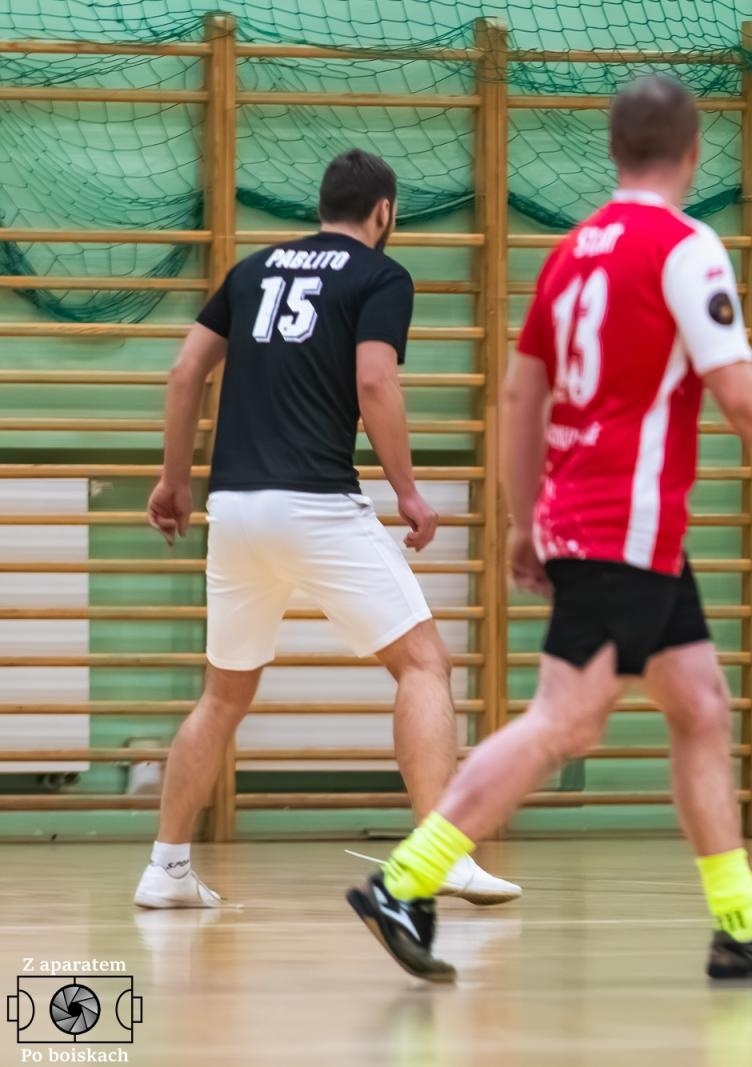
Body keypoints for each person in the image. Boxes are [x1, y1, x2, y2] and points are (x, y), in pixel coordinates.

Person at [345, 75, 752, 983]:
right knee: (562, 722)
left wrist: (521, 517)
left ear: (614, 153)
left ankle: (741, 926)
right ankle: (404, 876)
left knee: (699, 707)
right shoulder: (686, 249)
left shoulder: (573, 251)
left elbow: (520, 394)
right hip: (625, 522)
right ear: (695, 154)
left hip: (602, 520)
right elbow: (737, 390)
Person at [136, 149, 519, 909]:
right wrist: (408, 491)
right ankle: (439, 852)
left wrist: (175, 478)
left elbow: (185, 373)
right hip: (315, 501)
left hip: (237, 509)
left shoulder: (252, 272)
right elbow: (374, 379)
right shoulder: (381, 277)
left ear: (322, 205)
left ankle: (166, 868)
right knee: (423, 665)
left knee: (223, 695)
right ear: (384, 212)